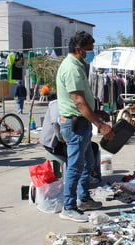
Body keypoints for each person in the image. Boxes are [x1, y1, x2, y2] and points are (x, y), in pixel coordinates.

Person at [56, 31, 114, 222]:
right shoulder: (71, 68)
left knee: (87, 162)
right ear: (79, 49)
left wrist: (97, 113)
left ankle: (84, 198)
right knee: (75, 166)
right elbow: (79, 102)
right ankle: (69, 206)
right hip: (75, 124)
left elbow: (84, 101)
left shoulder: (78, 66)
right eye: (89, 50)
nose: (91, 53)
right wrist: (100, 125)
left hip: (81, 123)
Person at [40, 100, 102, 182]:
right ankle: (80, 177)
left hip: (64, 139)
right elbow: (55, 123)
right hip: (54, 144)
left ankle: (90, 174)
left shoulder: (70, 103)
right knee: (80, 150)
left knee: (92, 146)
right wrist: (62, 138)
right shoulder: (56, 104)